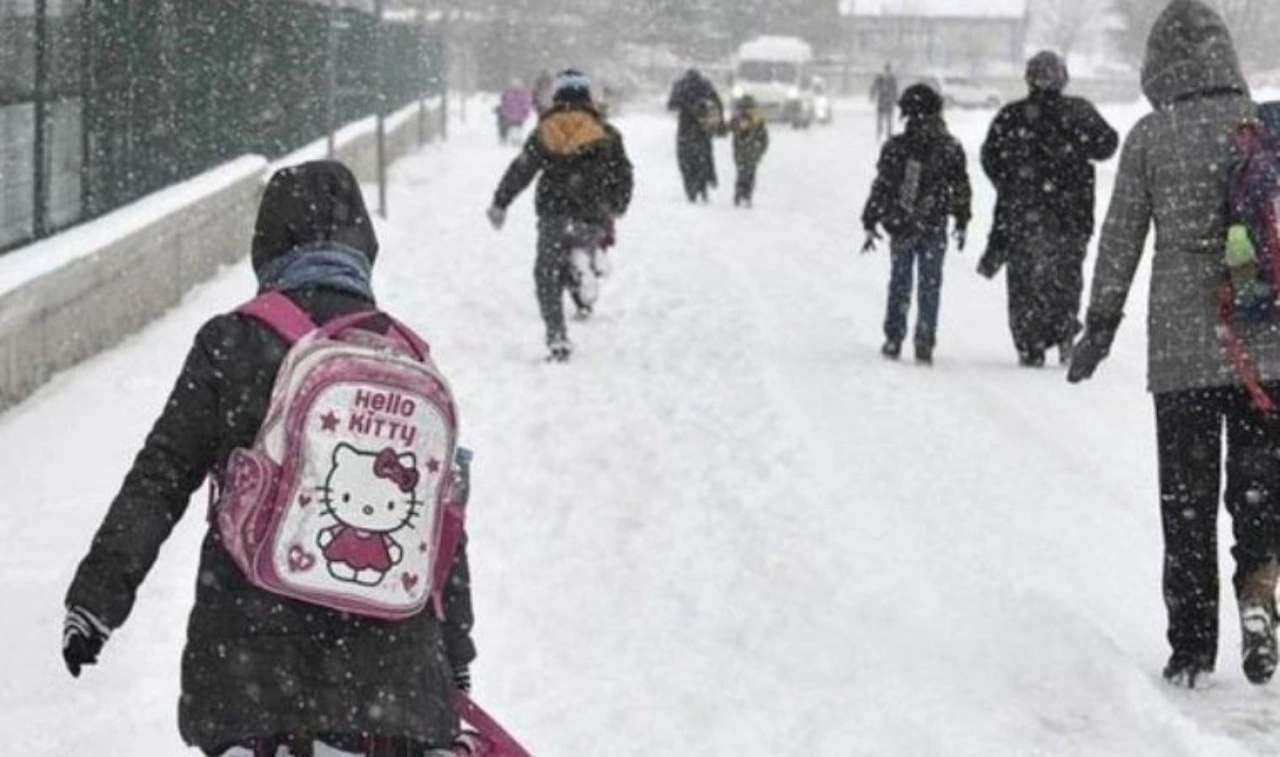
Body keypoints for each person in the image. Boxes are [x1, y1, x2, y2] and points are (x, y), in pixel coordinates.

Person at [60, 161, 477, 755]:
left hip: (251, 670)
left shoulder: (232, 342)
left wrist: (97, 599)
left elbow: (161, 476)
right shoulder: (407, 359)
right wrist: (453, 655)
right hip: (391, 683)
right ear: (363, 246)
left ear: (268, 244)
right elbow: (442, 525)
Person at [1068, 0, 1280, 689]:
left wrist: (1100, 324)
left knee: (1187, 501)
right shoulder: (1263, 125)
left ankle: (1191, 649)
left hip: (1184, 350)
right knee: (1259, 488)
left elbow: (1121, 239)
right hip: (1264, 343)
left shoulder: (1152, 136)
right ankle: (1259, 588)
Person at [980, 51, 1118, 367]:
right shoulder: (1078, 112)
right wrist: (1076, 148)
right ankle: (1064, 330)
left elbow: (991, 158)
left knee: (1024, 281)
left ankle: (1030, 343)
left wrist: (1011, 183)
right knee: (1066, 277)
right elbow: (1107, 144)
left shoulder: (1012, 116)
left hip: (1022, 214)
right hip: (1072, 214)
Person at [486, 69, 634, 362]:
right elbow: (623, 173)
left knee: (547, 272)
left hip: (554, 211)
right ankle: (585, 268)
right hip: (591, 212)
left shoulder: (546, 130)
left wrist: (501, 202)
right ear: (587, 95)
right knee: (581, 248)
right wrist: (617, 204)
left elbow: (522, 169)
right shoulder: (606, 133)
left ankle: (557, 335)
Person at [861, 84, 971, 365]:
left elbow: (882, 186)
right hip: (934, 224)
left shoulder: (896, 147)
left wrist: (871, 218)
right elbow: (961, 186)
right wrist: (961, 219)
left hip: (902, 223)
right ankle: (924, 341)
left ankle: (894, 337)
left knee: (900, 282)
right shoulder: (950, 147)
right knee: (930, 286)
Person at [667, 68, 725, 203]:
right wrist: (719, 123)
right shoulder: (705, 85)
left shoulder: (681, 86)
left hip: (685, 128)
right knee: (703, 157)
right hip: (702, 127)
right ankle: (703, 183)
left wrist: (684, 104)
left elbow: (671, 105)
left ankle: (691, 188)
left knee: (685, 160)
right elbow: (718, 103)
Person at [729, 95, 769, 207]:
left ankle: (743, 193)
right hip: (748, 152)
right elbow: (764, 138)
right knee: (746, 173)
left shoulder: (756, 121)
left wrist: (761, 150)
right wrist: (760, 150)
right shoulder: (750, 120)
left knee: (745, 173)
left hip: (747, 152)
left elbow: (764, 138)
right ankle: (744, 194)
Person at [496, 79, 533, 144]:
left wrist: (505, 112)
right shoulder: (522, 95)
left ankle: (514, 139)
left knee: (513, 128)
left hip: (511, 116)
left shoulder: (509, 95)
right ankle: (516, 139)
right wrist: (526, 113)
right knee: (517, 128)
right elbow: (525, 105)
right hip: (518, 116)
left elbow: (505, 105)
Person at [870, 63, 898, 141]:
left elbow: (895, 89)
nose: (887, 72)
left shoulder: (891, 78)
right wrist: (872, 95)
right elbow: (874, 87)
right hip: (883, 101)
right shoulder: (880, 78)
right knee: (882, 119)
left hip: (887, 101)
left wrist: (895, 98)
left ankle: (886, 134)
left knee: (887, 119)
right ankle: (880, 133)